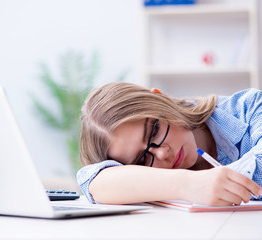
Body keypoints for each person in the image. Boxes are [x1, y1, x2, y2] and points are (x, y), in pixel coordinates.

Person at [77, 82, 262, 206]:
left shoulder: (251, 108)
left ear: (160, 99)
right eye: (141, 160)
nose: (162, 154)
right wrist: (188, 184)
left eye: (154, 130)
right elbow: (92, 179)